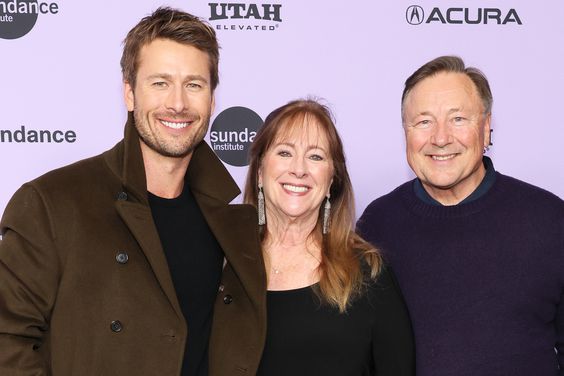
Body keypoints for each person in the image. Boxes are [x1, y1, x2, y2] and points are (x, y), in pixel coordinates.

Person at [0, 7, 265, 376]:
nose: (177, 103)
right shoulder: (51, 202)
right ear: (129, 94)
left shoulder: (229, 221)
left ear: (212, 100)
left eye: (194, 84)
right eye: (160, 83)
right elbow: (7, 341)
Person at [357, 55, 564, 375]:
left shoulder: (550, 220)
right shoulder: (377, 224)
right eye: (423, 121)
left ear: (485, 127)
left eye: (457, 119)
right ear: (405, 132)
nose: (440, 138)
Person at [239, 99, 414, 375]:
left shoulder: (368, 271)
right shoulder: (225, 267)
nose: (299, 169)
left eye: (316, 156)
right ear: (260, 172)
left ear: (331, 180)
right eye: (285, 153)